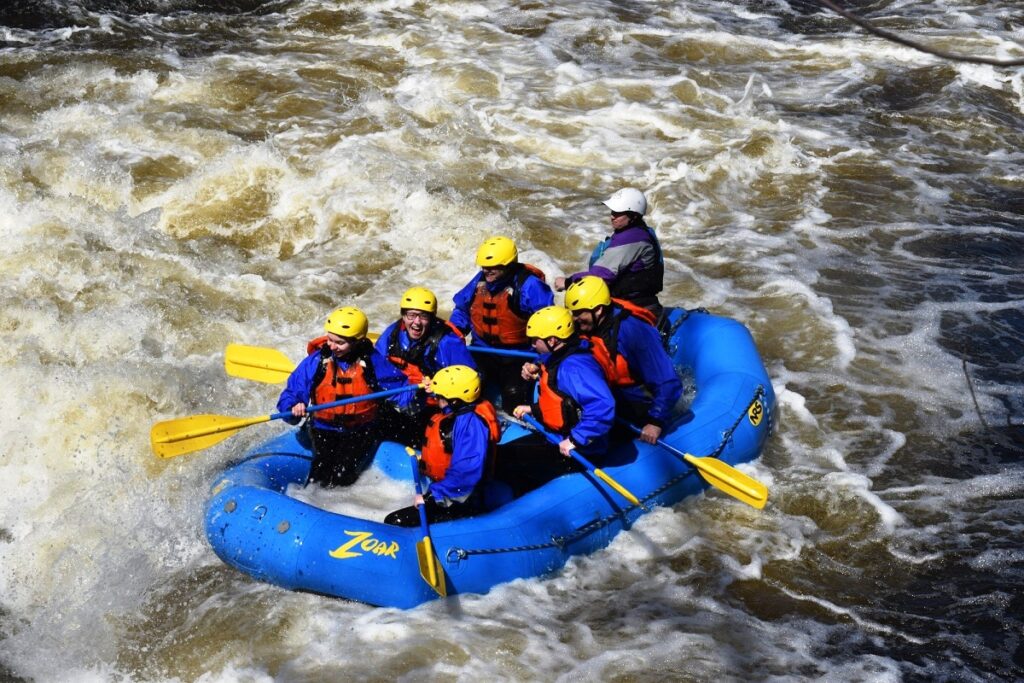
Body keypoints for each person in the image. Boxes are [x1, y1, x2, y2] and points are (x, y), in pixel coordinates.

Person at [277, 306, 415, 487]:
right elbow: (292, 393)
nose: (332, 346)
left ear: (357, 341)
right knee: (318, 480)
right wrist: (293, 407)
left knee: (344, 477)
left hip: (360, 430)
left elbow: (402, 390)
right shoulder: (318, 361)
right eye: (330, 340)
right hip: (323, 428)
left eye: (340, 343)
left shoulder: (372, 362)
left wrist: (419, 393)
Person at [497, 306, 615, 495]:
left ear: (552, 340)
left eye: (535, 339)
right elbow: (563, 402)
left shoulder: (574, 367)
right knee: (500, 456)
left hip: (578, 450)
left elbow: (603, 406)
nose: (532, 344)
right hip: (556, 437)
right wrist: (533, 409)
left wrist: (576, 439)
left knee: (509, 465)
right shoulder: (557, 357)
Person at [562, 276, 682, 444]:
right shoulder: (587, 325)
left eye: (577, 313)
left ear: (598, 310)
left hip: (637, 407)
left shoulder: (633, 332)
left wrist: (655, 421)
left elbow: (668, 381)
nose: (573, 318)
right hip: (607, 399)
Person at [384, 365, 501, 526]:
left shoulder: (471, 426)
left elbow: (465, 474)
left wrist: (433, 497)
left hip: (460, 499)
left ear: (454, 400)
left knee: (394, 522)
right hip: (445, 489)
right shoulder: (456, 409)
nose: (436, 397)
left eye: (439, 396)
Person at [450, 236, 554, 410]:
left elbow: (549, 328)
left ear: (509, 265)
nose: (487, 270)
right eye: (484, 266)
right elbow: (462, 310)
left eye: (493, 267)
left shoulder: (530, 286)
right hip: (482, 349)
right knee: (462, 385)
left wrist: (538, 361)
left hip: (518, 355)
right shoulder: (481, 280)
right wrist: (453, 335)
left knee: (513, 393)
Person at [375, 286, 476, 445]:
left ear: (432, 318)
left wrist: (439, 389)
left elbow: (470, 380)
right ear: (403, 315)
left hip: (434, 406)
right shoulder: (393, 333)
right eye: (411, 315)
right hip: (402, 400)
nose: (416, 322)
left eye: (423, 316)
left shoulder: (447, 342)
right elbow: (377, 366)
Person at [554, 188, 664, 315]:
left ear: (633, 216)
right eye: (612, 211)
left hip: (635, 305)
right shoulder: (639, 232)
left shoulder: (632, 238)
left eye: (618, 213)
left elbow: (601, 276)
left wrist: (568, 282)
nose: (612, 216)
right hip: (634, 300)